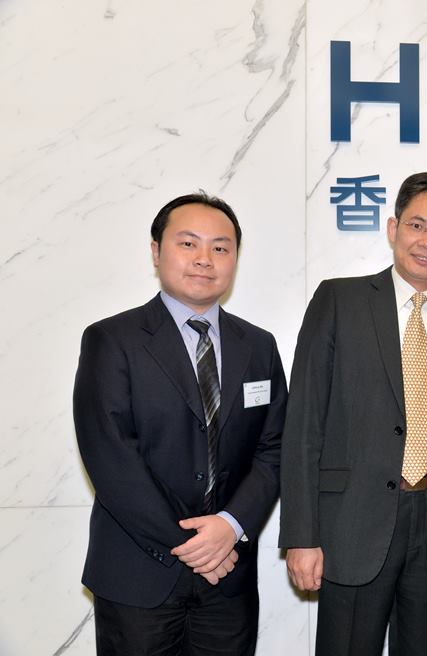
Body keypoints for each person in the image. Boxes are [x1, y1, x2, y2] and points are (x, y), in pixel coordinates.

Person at [279, 171, 427, 656]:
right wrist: (301, 534)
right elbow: (303, 425)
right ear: (393, 228)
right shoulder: (339, 300)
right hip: (353, 519)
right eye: (417, 225)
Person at [73, 192, 287, 655]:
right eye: (188, 244)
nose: (204, 259)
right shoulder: (112, 339)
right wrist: (193, 545)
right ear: (156, 251)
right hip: (139, 574)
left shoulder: (259, 346)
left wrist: (230, 525)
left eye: (220, 247)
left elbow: (274, 448)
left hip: (228, 578)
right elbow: (112, 457)